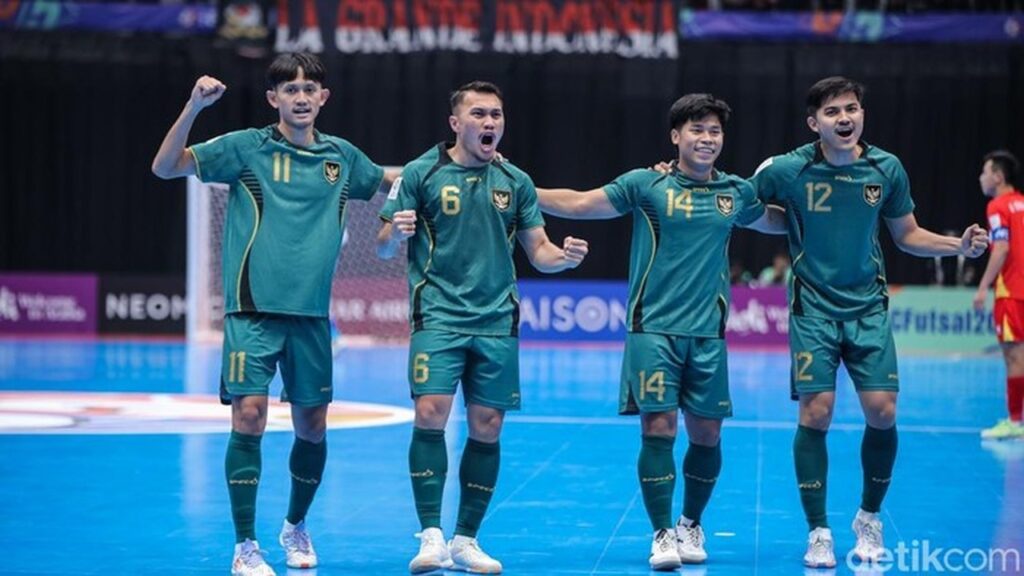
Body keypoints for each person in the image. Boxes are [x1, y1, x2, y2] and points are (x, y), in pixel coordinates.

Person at [152, 52, 399, 576]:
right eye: (290, 89)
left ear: (324, 97)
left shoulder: (342, 157)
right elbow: (165, 166)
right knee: (249, 416)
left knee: (313, 427)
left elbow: (391, 182)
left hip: (311, 319)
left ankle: (295, 526)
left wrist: (450, 170)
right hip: (251, 313)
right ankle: (245, 546)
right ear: (273, 99)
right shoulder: (247, 148)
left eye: (310, 89)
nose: (301, 97)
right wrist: (194, 107)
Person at [537, 93, 786, 570]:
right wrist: (521, 188)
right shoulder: (646, 185)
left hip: (708, 334)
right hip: (651, 330)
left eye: (714, 131)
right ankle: (662, 533)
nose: (706, 139)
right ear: (676, 136)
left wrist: (814, 207)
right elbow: (582, 202)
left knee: (707, 435)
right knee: (658, 429)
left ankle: (691, 523)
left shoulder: (735, 193)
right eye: (696, 130)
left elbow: (775, 223)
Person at [749, 76, 989, 568]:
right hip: (813, 309)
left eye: (852, 109)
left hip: (868, 309)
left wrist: (958, 247)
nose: (845, 118)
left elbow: (907, 234)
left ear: (861, 114)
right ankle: (819, 531)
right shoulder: (789, 168)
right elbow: (743, 205)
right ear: (814, 123)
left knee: (882, 411)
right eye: (833, 111)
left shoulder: (886, 168)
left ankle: (869, 517)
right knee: (816, 413)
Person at [376, 81, 589, 575]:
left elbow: (539, 251)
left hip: (496, 320)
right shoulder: (420, 173)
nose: (489, 122)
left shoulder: (515, 180)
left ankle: (466, 540)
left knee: (487, 425)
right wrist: (394, 233)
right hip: (438, 315)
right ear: (456, 123)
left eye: (496, 115)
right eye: (478, 114)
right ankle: (431, 535)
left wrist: (564, 259)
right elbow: (384, 246)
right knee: (430, 412)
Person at [973, 150, 1024, 440]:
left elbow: (1001, 248)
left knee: (1014, 356)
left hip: (1011, 292)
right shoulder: (1022, 204)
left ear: (998, 177)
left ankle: (1015, 422)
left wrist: (983, 287)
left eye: (985, 172)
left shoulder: (997, 206)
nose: (981, 177)